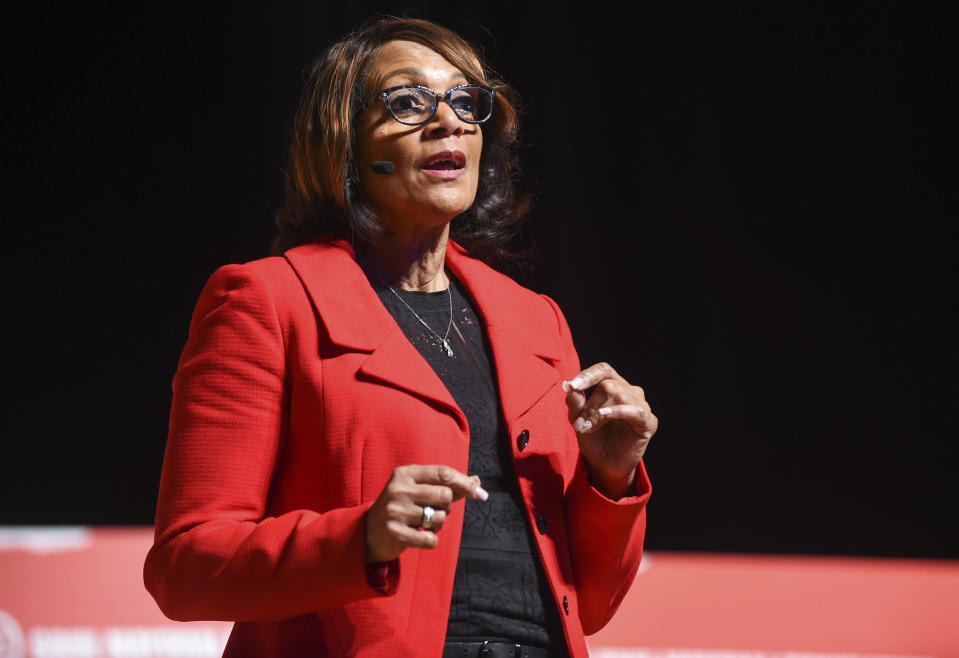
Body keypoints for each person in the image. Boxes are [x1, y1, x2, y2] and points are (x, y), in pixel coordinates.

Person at [144, 16, 658, 658]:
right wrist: (358, 539)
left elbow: (593, 605)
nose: (450, 122)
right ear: (344, 143)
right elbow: (185, 569)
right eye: (408, 102)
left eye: (466, 102)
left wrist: (610, 479)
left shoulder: (537, 322)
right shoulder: (268, 302)